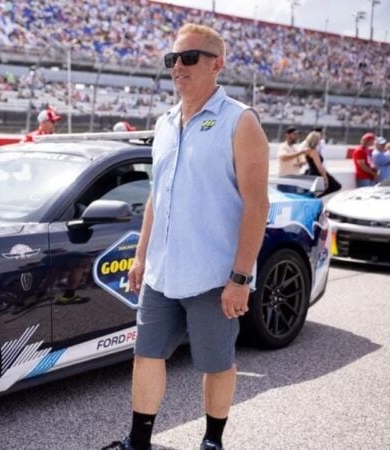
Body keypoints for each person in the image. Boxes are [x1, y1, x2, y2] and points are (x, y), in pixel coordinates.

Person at [104, 24, 269, 450]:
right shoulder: (164, 123)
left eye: (189, 57)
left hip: (214, 277)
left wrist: (240, 278)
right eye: (172, 59)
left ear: (217, 64)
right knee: (146, 356)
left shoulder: (240, 121)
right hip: (161, 273)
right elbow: (156, 197)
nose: (178, 66)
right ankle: (137, 442)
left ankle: (212, 442)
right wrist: (141, 256)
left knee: (216, 364)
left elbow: (257, 205)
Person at [300, 131, 341, 197]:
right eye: (319, 139)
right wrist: (325, 178)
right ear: (315, 140)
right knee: (336, 186)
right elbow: (319, 166)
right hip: (317, 173)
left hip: (312, 172)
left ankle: (315, 197)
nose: (320, 140)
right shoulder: (313, 150)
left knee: (313, 192)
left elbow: (309, 161)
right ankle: (316, 197)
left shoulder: (307, 149)